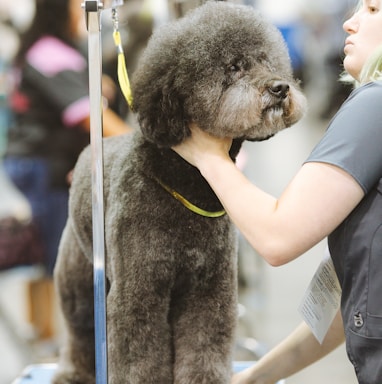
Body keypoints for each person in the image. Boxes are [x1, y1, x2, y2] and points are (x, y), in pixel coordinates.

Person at [172, 1, 382, 383]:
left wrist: (209, 157)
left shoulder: (375, 105)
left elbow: (277, 236)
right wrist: (254, 377)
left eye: (372, 9)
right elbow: (338, 300)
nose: (350, 23)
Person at [3, 0, 132, 341]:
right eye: (78, 5)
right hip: (43, 163)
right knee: (57, 254)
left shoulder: (52, 47)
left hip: (36, 160)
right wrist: (143, 147)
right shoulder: (49, 51)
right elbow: (90, 115)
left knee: (47, 249)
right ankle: (54, 341)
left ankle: (46, 335)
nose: (85, 12)